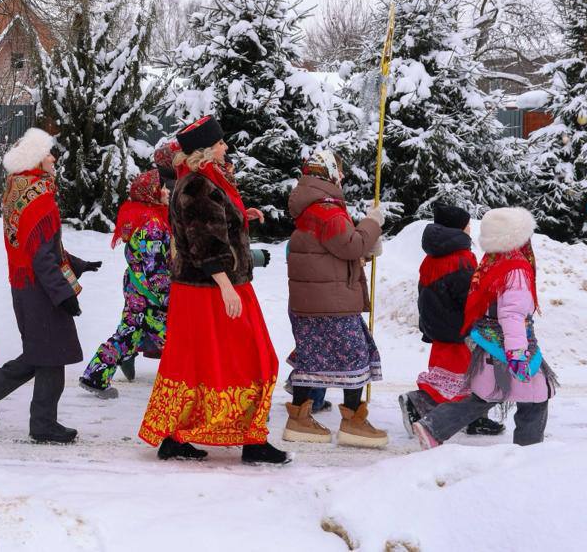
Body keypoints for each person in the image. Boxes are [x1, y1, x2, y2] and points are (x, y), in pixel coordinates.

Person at [137, 116, 290, 466]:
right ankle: (249, 440)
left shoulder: (204, 180)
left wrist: (240, 216)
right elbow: (205, 242)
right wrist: (226, 288)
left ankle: (186, 438)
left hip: (212, 286)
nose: (225, 147)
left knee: (199, 362)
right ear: (204, 151)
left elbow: (212, 225)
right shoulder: (197, 186)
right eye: (219, 143)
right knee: (253, 357)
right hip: (212, 287)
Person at [0, 128, 98, 444]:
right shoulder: (39, 200)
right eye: (49, 153)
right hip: (41, 291)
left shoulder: (18, 190)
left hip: (26, 288)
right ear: (37, 160)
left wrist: (77, 264)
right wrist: (64, 295)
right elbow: (40, 256)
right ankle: (42, 424)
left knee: (41, 353)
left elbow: (38, 248)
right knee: (52, 356)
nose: (54, 158)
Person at [414, 207, 556, 449]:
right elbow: (512, 314)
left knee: (486, 395)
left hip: (488, 342)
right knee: (537, 396)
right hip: (511, 346)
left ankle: (433, 426)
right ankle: (528, 452)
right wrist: (518, 353)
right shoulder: (517, 269)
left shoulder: (491, 262)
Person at [281, 150, 388, 449]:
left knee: (312, 357)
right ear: (329, 173)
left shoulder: (313, 207)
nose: (342, 176)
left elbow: (332, 250)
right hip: (330, 302)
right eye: (339, 170)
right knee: (355, 356)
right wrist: (371, 224)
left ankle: (299, 419)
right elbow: (349, 245)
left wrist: (364, 250)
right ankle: (354, 422)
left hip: (316, 299)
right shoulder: (326, 209)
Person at [397, 204, 504, 438]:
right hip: (459, 328)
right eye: (467, 225)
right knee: (471, 375)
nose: (469, 229)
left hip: (439, 326)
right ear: (459, 228)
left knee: (448, 373)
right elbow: (469, 296)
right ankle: (418, 402)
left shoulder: (432, 257)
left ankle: (472, 418)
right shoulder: (461, 259)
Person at [80, 168, 171, 398]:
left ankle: (94, 376)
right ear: (152, 192)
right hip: (152, 298)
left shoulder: (141, 215)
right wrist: (168, 298)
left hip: (136, 291)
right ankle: (190, 391)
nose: (167, 191)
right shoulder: (152, 224)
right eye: (162, 188)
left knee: (127, 335)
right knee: (180, 344)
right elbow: (155, 269)